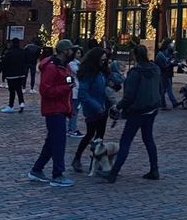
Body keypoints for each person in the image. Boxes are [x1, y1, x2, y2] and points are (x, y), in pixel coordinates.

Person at [100, 44, 161, 183]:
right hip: (151, 109)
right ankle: (154, 169)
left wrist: (118, 107)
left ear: (134, 55)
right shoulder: (155, 69)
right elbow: (160, 87)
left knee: (126, 141)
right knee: (148, 139)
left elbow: (129, 96)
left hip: (137, 111)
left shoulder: (135, 73)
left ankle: (113, 173)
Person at [28, 38, 75, 187]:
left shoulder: (63, 66)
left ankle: (37, 169)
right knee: (58, 142)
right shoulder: (52, 67)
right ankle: (57, 174)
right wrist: (67, 88)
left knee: (51, 142)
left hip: (60, 108)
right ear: (64, 51)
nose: (72, 52)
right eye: (70, 50)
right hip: (54, 109)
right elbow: (45, 90)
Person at [71, 46, 110, 173]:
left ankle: (97, 159)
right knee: (90, 134)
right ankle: (77, 157)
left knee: (100, 136)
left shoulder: (100, 71)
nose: (103, 62)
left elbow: (104, 87)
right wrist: (96, 106)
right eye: (102, 59)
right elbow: (83, 93)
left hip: (102, 107)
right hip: (92, 108)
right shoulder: (89, 73)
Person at [0, 38, 26, 113]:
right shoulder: (22, 52)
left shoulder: (9, 52)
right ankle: (21, 103)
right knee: (19, 90)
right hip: (20, 74)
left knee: (12, 91)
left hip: (11, 74)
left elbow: (5, 63)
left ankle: (11, 106)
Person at [155, 39, 179, 110]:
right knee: (168, 88)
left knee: (164, 89)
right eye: (171, 44)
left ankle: (161, 102)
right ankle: (173, 102)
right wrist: (171, 63)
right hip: (164, 73)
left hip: (168, 73)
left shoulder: (169, 52)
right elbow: (163, 65)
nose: (172, 45)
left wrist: (174, 61)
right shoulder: (160, 54)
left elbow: (174, 60)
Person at [67, 46, 83, 137]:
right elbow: (79, 73)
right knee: (74, 111)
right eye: (77, 53)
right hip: (74, 90)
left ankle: (71, 128)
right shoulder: (72, 64)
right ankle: (72, 129)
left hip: (77, 89)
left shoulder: (78, 63)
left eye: (80, 53)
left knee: (75, 110)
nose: (79, 55)